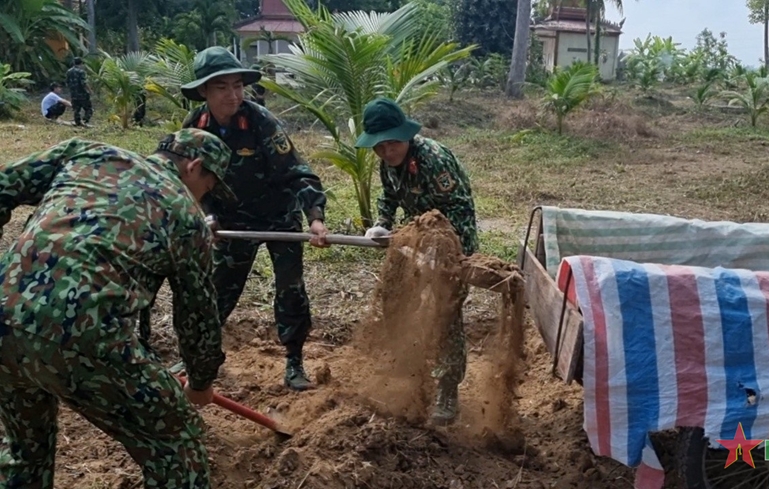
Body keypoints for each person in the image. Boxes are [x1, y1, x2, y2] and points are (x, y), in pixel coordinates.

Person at [0, 128, 235, 488]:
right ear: (195, 166)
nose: (205, 199)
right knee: (176, 440)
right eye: (209, 187)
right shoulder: (188, 218)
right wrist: (201, 382)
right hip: (82, 336)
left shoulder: (88, 153)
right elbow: (197, 317)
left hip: (3, 317)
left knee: (26, 451)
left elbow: (5, 184)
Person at [178, 46, 330, 391]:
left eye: (237, 86)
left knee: (290, 291)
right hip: (231, 224)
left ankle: (294, 361)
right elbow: (185, 180)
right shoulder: (195, 127)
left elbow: (297, 172)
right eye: (222, 88)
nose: (233, 95)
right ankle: (199, 357)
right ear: (204, 91)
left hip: (279, 218)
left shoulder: (261, 121)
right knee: (217, 292)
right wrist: (206, 217)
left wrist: (315, 218)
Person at [356, 97, 478, 425]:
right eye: (379, 147)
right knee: (395, 295)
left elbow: (460, 209)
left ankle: (447, 387)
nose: (387, 152)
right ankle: (407, 365)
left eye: (392, 144)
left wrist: (444, 250)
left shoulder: (433, 160)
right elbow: (390, 195)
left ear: (406, 135)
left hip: (453, 246)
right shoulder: (389, 163)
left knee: (444, 313)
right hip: (417, 242)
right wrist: (382, 222)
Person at [65, 57, 93, 127]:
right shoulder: (81, 72)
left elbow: (67, 83)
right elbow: (84, 83)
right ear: (81, 63)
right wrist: (90, 91)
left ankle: (78, 122)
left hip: (73, 94)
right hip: (82, 94)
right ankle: (85, 121)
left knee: (76, 109)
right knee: (88, 109)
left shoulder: (69, 72)